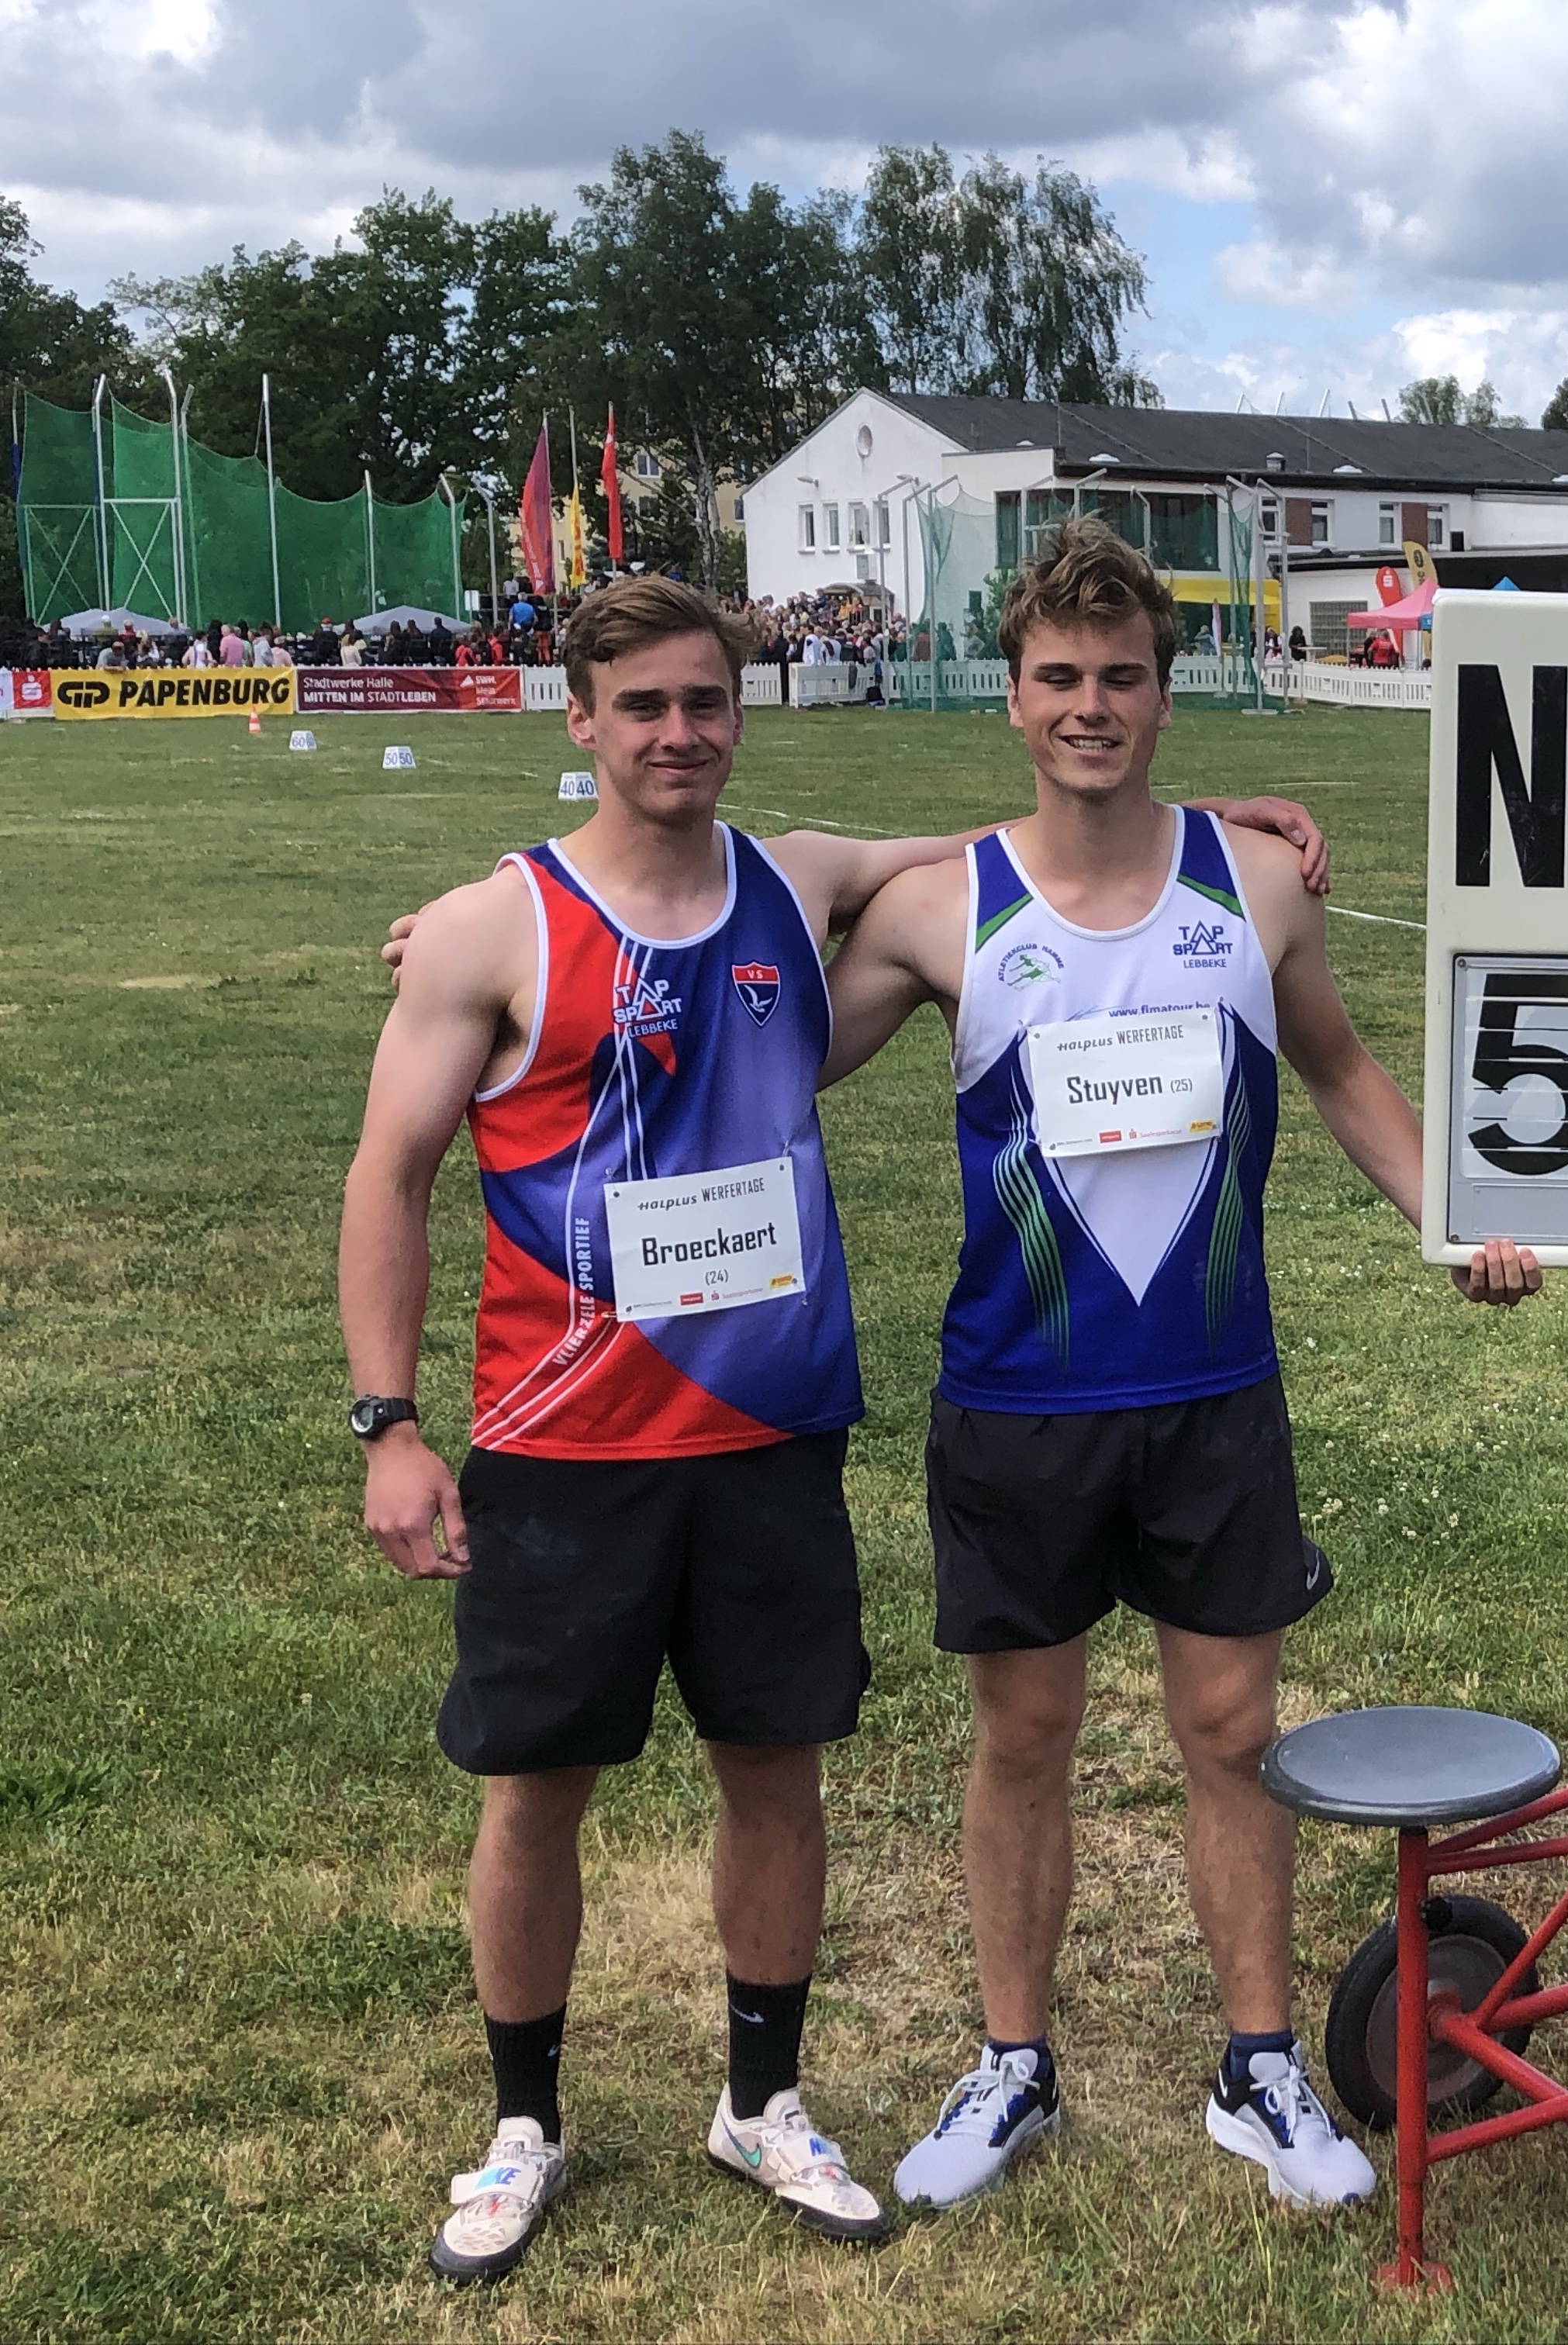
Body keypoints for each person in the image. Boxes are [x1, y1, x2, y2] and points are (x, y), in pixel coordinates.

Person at [344, 573, 1338, 2285]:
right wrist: (389, 1422)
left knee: (775, 1774)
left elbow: (1006, 845)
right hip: (563, 1434)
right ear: (577, 719)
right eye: (641, 706)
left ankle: (764, 2103)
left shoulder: (797, 876)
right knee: (537, 1790)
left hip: (769, 1432)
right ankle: (520, 2127)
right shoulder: (491, 928)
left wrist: (1212, 814)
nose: (677, 733)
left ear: (743, 713)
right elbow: (390, 1174)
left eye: (704, 702)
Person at [816, 519, 1539, 2219]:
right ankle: (1012, 2063)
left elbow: (1344, 1072)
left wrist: (1452, 1223)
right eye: (1060, 678)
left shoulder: (1257, 885)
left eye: (1122, 677)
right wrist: (496, 940)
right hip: (1017, 1398)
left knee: (1231, 1729)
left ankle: (1258, 2067)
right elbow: (760, 1037)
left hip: (1213, 1389)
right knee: (1025, 1737)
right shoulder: (937, 906)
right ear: (1011, 697)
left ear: (1164, 691)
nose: (1092, 706)